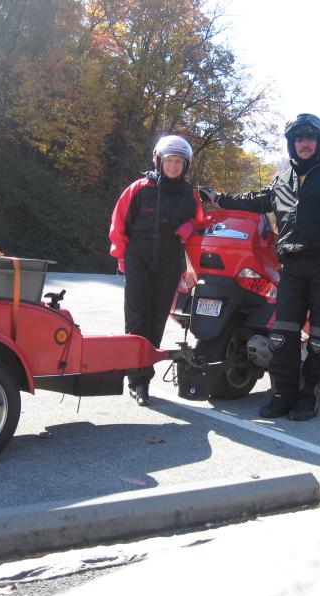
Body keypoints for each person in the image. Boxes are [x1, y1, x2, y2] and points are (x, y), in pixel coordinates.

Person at [203, 113, 320, 421]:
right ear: (292, 144)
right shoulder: (282, 180)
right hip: (291, 266)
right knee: (281, 336)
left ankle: (309, 396)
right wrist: (219, 199)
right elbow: (254, 201)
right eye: (298, 139)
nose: (304, 143)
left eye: (310, 138)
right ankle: (282, 394)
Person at [109, 135, 203, 406]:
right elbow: (118, 223)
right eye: (169, 161)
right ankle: (136, 380)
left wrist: (190, 228)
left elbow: (200, 221)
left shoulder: (189, 195)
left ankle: (145, 378)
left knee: (157, 318)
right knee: (137, 318)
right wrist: (121, 257)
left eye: (178, 162)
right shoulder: (139, 188)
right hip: (138, 256)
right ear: (158, 161)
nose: (173, 166)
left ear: (185, 166)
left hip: (170, 259)